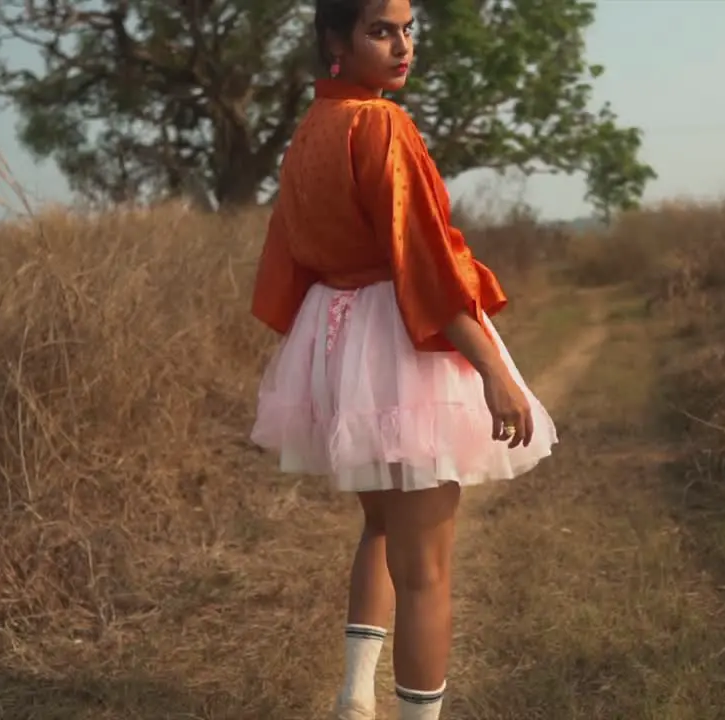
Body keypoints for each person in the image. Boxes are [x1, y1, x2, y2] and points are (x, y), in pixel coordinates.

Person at [249, 1, 558, 717]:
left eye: (408, 27)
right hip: (399, 338)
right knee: (426, 570)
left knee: (383, 527)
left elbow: (289, 255)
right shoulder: (380, 123)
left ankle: (355, 699)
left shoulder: (312, 128)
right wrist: (493, 371)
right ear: (336, 41)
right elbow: (424, 263)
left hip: (338, 337)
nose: (402, 44)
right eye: (380, 30)